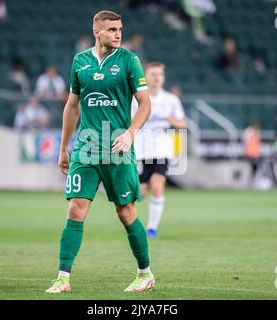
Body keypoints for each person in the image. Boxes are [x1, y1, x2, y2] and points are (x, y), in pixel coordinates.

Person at [46, 10, 153, 294]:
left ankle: (145, 273)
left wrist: (130, 134)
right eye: (112, 30)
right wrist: (63, 148)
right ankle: (63, 278)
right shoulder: (80, 62)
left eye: (120, 29)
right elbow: (72, 106)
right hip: (86, 148)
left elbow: (145, 104)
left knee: (126, 212)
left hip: (118, 145)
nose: (118, 34)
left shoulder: (129, 61)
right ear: (97, 32)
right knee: (75, 208)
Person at [131, 62, 186, 238]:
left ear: (163, 77)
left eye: (159, 74)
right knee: (139, 193)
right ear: (146, 77)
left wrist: (169, 119)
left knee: (157, 186)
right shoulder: (136, 99)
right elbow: (128, 122)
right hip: (140, 151)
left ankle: (152, 228)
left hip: (161, 151)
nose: (156, 78)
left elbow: (182, 123)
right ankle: (134, 225)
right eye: (153, 74)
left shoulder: (171, 100)